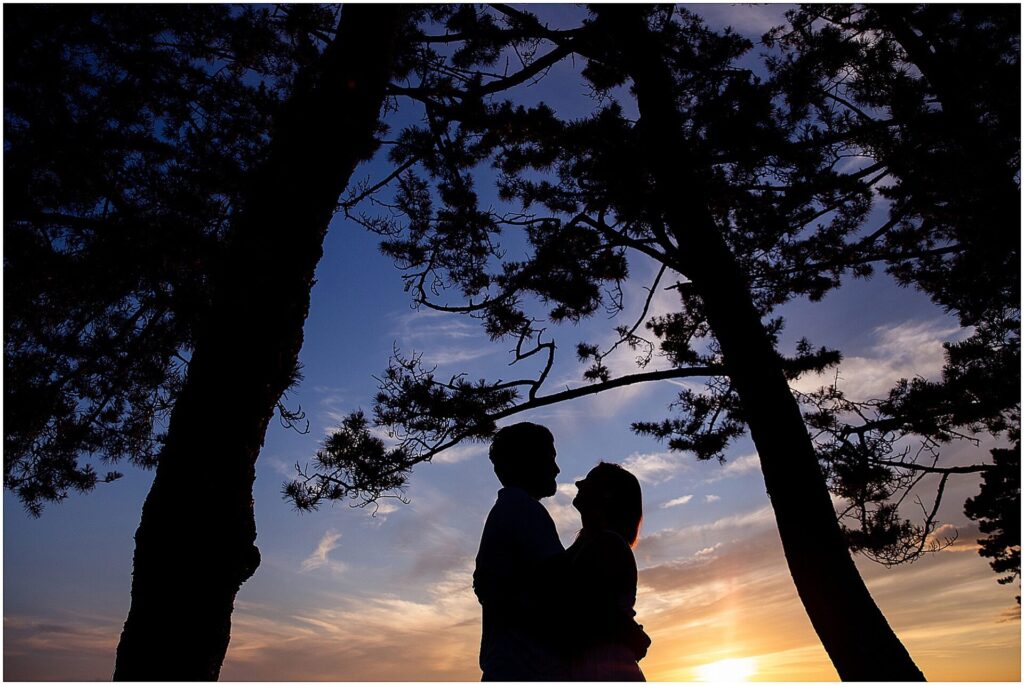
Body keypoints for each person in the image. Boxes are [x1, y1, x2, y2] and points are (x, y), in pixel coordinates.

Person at [473, 422, 569, 681]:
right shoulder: (522, 509)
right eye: (549, 458)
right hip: (525, 669)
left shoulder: (507, 510)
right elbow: (564, 586)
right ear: (527, 462)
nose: (556, 469)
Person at [566, 462, 650, 681]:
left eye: (589, 480)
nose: (578, 483)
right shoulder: (588, 545)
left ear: (607, 494)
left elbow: (592, 611)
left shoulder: (608, 544)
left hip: (603, 668)